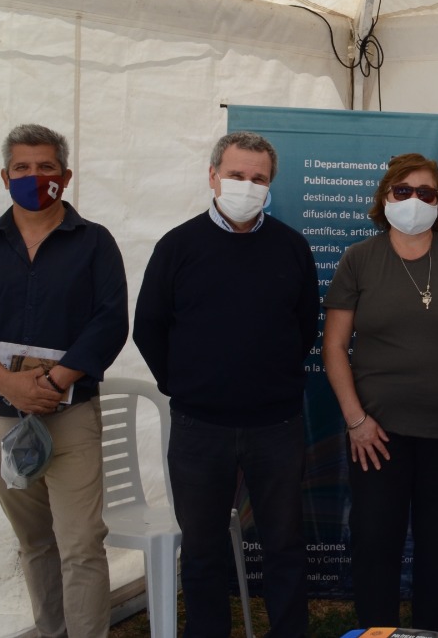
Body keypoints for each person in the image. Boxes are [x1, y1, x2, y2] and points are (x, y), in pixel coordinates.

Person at [0, 123, 128, 638]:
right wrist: (7, 383)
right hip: (0, 421)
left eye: (45, 167)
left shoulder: (94, 243)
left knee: (82, 543)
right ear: (5, 177)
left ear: (64, 177)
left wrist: (52, 383)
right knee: (35, 543)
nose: (34, 176)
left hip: (71, 419)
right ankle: (52, 631)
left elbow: (110, 321)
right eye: (22, 167)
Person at [133, 130, 321, 638]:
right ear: (213, 176)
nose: (247, 185)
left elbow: (305, 326)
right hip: (200, 426)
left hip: (275, 426)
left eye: (258, 179)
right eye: (237, 175)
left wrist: (268, 378)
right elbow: (147, 325)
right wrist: (188, 385)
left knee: (283, 545)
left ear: (270, 185)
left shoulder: (291, 247)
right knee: (201, 550)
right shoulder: (178, 246)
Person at [321, 153, 438, 632]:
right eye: (403, 191)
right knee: (374, 542)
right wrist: (356, 421)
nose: (414, 200)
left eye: (426, 193)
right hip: (377, 435)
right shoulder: (359, 259)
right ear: (385, 197)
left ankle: (430, 633)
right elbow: (335, 346)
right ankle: (378, 633)